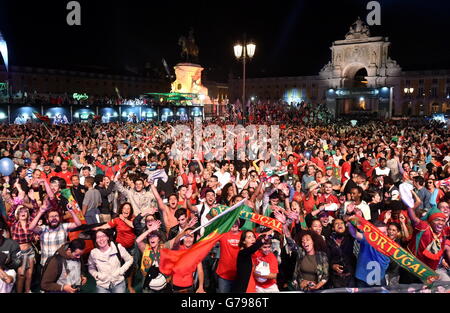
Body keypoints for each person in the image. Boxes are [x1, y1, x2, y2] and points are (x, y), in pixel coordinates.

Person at [29, 199, 82, 267]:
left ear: (59, 218)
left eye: (56, 216)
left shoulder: (63, 227)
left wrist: (71, 211)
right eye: (51, 216)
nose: (54, 218)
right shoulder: (43, 229)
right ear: (47, 220)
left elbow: (78, 224)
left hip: (61, 263)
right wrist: (40, 212)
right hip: (46, 264)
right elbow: (31, 228)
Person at [347, 219, 390, 287]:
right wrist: (349, 223)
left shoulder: (391, 245)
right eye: (379, 233)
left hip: (379, 278)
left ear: (387, 232)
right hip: (363, 279)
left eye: (384, 232)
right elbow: (354, 234)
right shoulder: (368, 239)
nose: (382, 235)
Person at [215, 220, 242, 293]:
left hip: (240, 275)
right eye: (233, 220)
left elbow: (262, 235)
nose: (234, 223)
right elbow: (209, 236)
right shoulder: (223, 234)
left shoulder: (245, 235)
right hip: (224, 275)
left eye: (236, 221)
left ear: (240, 223)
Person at [0, 220, 21, 293]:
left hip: (7, 270)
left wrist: (9, 261)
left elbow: (18, 261)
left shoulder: (12, 244)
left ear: (2, 232)